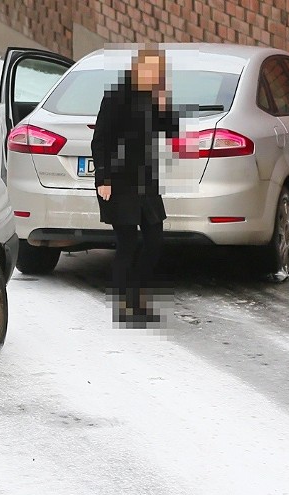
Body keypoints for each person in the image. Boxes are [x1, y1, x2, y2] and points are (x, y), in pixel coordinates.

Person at [91, 47, 180, 326]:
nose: (154, 76)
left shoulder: (152, 97)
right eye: (150, 70)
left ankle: (138, 298)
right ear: (138, 68)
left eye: (158, 72)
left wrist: (165, 103)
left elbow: (171, 130)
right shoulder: (117, 96)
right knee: (127, 243)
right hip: (119, 181)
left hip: (146, 182)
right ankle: (124, 306)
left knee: (155, 240)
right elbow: (100, 140)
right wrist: (103, 179)